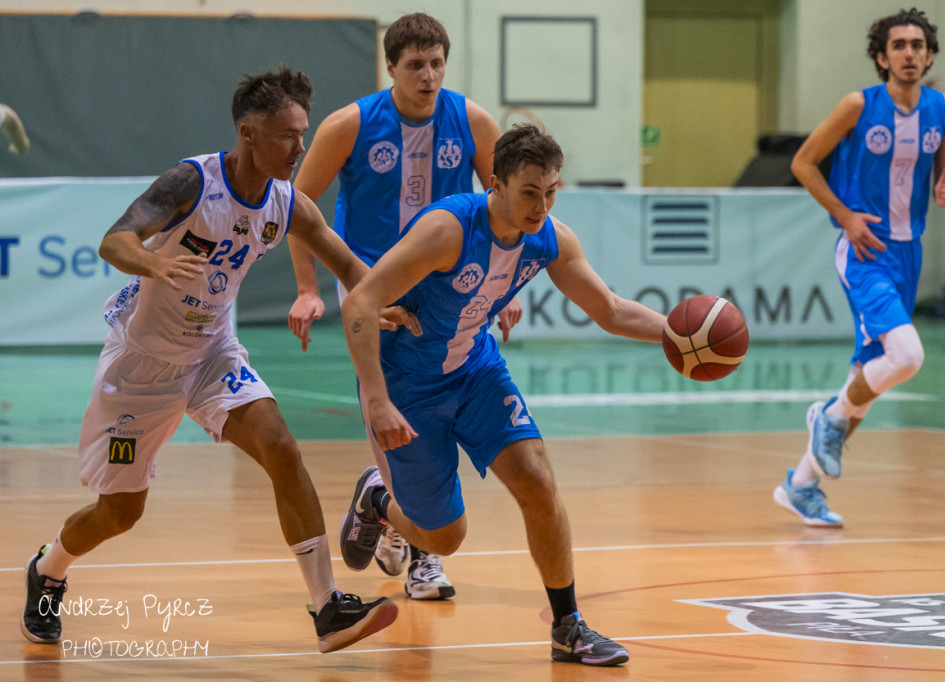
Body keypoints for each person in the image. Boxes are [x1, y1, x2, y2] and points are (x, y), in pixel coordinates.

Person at [20, 67, 412, 653]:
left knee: (281, 446)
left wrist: (383, 301)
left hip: (211, 357)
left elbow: (347, 263)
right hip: (140, 371)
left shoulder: (286, 203)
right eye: (287, 135)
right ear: (249, 134)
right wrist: (154, 263)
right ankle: (49, 569)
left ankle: (328, 608)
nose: (299, 147)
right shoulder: (191, 183)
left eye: (303, 132)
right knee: (120, 513)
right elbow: (114, 240)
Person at [338, 123, 666, 666]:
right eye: (530, 192)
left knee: (538, 481)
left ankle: (568, 626)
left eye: (551, 191)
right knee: (444, 540)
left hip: (476, 370)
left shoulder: (551, 238)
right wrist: (376, 401)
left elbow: (609, 308)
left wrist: (679, 333)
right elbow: (359, 304)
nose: (541, 206)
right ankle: (379, 501)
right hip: (407, 385)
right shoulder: (448, 229)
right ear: (496, 184)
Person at [288, 12, 510, 601]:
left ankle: (389, 514)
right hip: (370, 283)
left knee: (445, 404)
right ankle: (421, 552)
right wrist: (310, 289)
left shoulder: (473, 121)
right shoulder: (350, 125)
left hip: (446, 285)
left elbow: (504, 209)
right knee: (394, 415)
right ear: (391, 67)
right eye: (415, 64)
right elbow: (296, 206)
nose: (429, 75)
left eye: (437, 63)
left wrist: (503, 288)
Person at [774, 8, 945, 527]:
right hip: (864, 249)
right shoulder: (859, 105)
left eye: (917, 45)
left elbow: (941, 175)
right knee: (906, 355)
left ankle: (801, 485)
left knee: (867, 378)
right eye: (898, 45)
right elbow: (803, 162)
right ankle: (826, 416)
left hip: (910, 251)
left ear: (929, 55)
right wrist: (844, 215)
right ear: (882, 57)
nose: (909, 53)